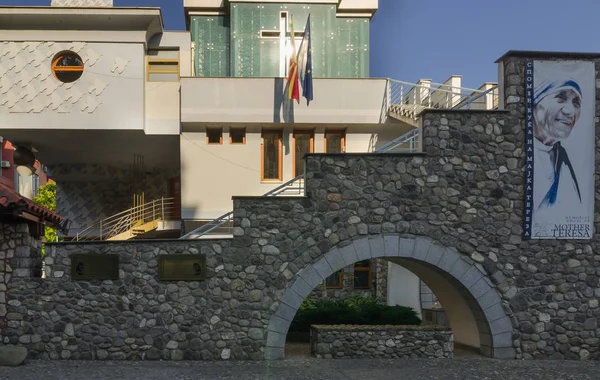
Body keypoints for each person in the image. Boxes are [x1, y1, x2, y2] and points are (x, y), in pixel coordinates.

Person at [532, 78, 583, 212]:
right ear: (536, 102)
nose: (570, 111)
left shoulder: (564, 158)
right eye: (560, 98)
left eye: (576, 103)